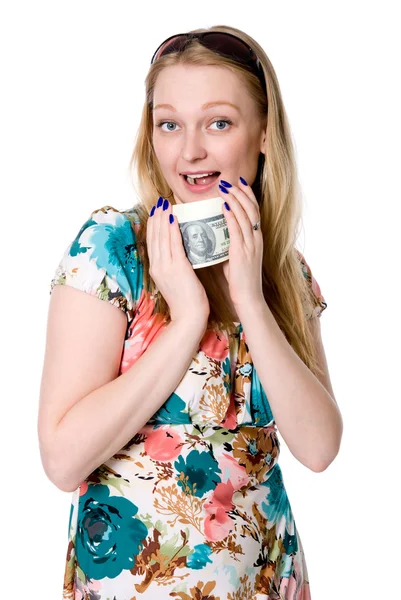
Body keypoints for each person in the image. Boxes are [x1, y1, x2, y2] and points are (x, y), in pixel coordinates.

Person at [38, 24, 343, 600]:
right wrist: (185, 322)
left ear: (262, 133)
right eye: (168, 123)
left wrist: (251, 298)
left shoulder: (283, 267)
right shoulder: (113, 248)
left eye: (218, 123)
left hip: (266, 579)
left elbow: (320, 447)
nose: (189, 150)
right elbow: (61, 458)